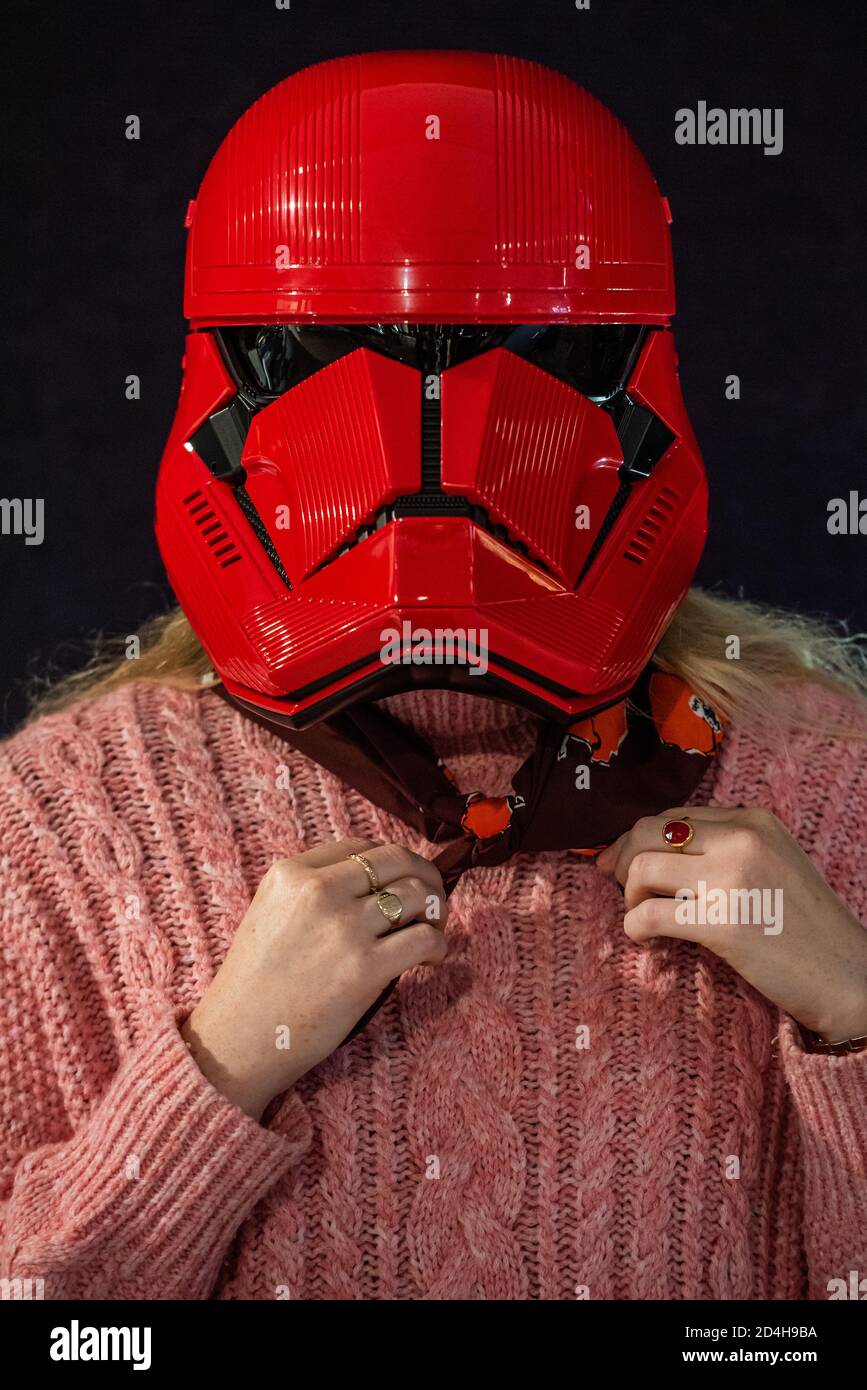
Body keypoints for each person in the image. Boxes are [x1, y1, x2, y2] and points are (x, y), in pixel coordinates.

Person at [1, 51, 865, 1303]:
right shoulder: (62, 833)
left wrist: (853, 1009)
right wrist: (218, 1067)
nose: (434, 435)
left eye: (522, 351)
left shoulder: (826, 792)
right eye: (328, 349)